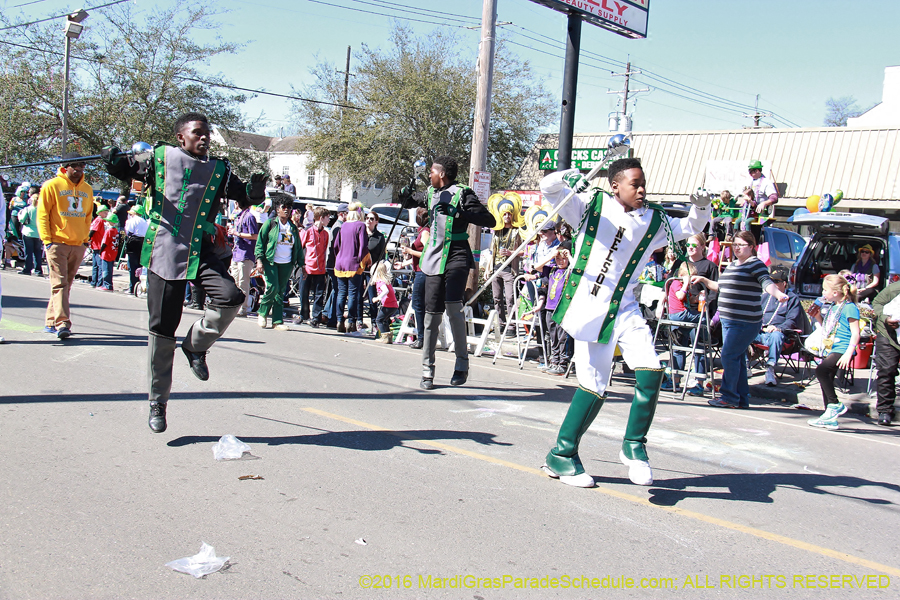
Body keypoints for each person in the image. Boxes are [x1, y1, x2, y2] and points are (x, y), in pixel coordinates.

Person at [538, 158, 711, 488]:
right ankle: (561, 455)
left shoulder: (655, 220)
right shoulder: (591, 206)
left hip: (627, 308)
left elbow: (690, 227)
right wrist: (567, 175)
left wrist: (702, 208)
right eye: (635, 183)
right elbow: (550, 188)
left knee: (651, 369)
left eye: (644, 183)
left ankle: (634, 446)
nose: (642, 189)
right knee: (594, 385)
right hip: (590, 308)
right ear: (615, 185)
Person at [102, 112, 266, 433]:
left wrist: (256, 190)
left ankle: (195, 346)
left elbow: (244, 196)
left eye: (207, 133)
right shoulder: (158, 158)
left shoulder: (219, 169)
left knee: (231, 296)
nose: (204, 138)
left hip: (200, 249)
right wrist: (113, 160)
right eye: (198, 133)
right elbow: (125, 168)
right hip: (163, 249)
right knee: (162, 331)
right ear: (181, 137)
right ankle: (157, 401)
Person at [400, 156, 495, 390]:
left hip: (457, 256)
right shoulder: (430, 193)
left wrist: (458, 213)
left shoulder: (463, 194)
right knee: (431, 315)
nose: (429, 175)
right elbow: (407, 201)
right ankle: (427, 370)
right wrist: (406, 189)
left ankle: (462, 365)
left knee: (453, 310)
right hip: (433, 258)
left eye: (432, 171)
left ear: (441, 174)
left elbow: (489, 219)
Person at [693, 230, 788, 410]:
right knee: (736, 358)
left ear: (752, 247)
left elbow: (766, 282)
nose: (737, 248)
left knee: (729, 355)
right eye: (734, 244)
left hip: (745, 321)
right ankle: (741, 398)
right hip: (728, 320)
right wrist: (705, 280)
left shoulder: (755, 264)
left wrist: (778, 294)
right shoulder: (733, 265)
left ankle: (729, 396)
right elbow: (721, 287)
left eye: (741, 245)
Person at [37, 154, 95, 339]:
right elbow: (43, 214)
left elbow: (87, 216)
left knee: (65, 285)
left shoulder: (87, 189)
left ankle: (50, 321)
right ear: (66, 167)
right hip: (57, 242)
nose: (79, 170)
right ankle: (63, 323)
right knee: (60, 284)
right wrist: (47, 240)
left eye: (82, 166)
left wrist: (85, 239)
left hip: (78, 244)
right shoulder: (51, 185)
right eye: (75, 166)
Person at [807, 274, 860, 430]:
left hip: (843, 348)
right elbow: (827, 328)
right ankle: (829, 414)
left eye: (825, 290)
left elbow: (855, 332)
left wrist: (849, 352)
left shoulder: (849, 307)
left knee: (821, 371)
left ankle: (834, 404)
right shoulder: (832, 307)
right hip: (832, 347)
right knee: (827, 378)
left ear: (836, 292)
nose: (823, 293)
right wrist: (817, 316)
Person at [752, 265, 806, 386]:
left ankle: (770, 370)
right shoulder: (765, 296)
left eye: (776, 281)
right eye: (771, 281)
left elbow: (792, 320)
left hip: (780, 335)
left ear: (784, 284)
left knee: (776, 335)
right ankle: (745, 366)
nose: (773, 284)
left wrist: (778, 328)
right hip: (761, 332)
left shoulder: (792, 299)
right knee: (743, 330)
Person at [255, 195, 302, 330]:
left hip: (287, 263)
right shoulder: (269, 224)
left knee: (281, 291)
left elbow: (298, 247)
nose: (287, 210)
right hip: (270, 261)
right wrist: (259, 261)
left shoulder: (292, 227)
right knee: (272, 287)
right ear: (277, 209)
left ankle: (277, 321)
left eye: (289, 208)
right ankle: (262, 312)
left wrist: (301, 265)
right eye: (284, 207)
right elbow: (260, 244)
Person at [662, 261, 706, 395]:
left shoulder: (684, 287)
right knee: (703, 318)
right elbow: (680, 295)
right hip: (678, 315)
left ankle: (677, 382)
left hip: (683, 315)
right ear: (682, 275)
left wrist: (699, 297)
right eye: (689, 278)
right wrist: (685, 284)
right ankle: (674, 380)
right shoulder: (677, 283)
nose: (691, 283)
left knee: (681, 346)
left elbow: (689, 300)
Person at [486, 193, 525, 331]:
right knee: (496, 298)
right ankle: (501, 323)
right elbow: (492, 251)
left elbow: (525, 251)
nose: (507, 216)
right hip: (496, 268)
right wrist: (487, 269)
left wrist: (511, 253)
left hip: (510, 270)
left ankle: (512, 325)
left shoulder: (517, 231)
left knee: (510, 298)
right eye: (504, 214)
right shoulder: (497, 231)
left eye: (509, 214)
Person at [332, 202, 369, 333]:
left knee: (341, 293)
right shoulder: (361, 226)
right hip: (353, 263)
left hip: (340, 263)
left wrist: (339, 256)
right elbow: (363, 246)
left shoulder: (344, 226)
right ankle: (351, 322)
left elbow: (336, 245)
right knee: (353, 294)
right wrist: (361, 260)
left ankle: (339, 320)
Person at [871, 281, 900, 426]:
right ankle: (885, 410)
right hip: (888, 333)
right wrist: (886, 319)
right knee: (887, 369)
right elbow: (877, 303)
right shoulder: (895, 289)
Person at [400, 207, 430, 348]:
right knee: (418, 304)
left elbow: (427, 252)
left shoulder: (425, 233)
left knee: (418, 304)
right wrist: (404, 262)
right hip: (419, 270)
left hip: (423, 272)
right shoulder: (423, 232)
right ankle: (422, 337)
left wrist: (409, 250)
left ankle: (422, 337)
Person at [540, 247, 572, 374]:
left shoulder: (569, 271)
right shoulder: (552, 270)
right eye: (558, 259)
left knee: (562, 337)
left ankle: (563, 363)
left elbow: (577, 268)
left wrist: (569, 256)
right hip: (549, 307)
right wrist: (551, 256)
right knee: (553, 336)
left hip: (562, 308)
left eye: (563, 259)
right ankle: (554, 361)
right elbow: (537, 266)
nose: (561, 261)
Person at [228, 195, 259, 316]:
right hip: (236, 252)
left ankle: (243, 308)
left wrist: (238, 233)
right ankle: (234, 305)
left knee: (243, 282)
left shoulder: (249, 217)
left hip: (245, 254)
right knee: (235, 280)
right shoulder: (238, 216)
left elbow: (254, 235)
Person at [298, 207, 330, 327]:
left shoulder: (326, 234)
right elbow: (300, 248)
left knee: (319, 294)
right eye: (327, 217)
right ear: (321, 218)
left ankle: (316, 317)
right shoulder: (307, 231)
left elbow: (325, 249)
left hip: (320, 269)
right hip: (307, 267)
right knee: (304, 293)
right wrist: (301, 265)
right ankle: (304, 315)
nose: (329, 220)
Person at [324, 203, 349, 328]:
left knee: (336, 290)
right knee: (338, 291)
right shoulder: (338, 227)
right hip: (334, 264)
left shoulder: (341, 226)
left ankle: (326, 313)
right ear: (341, 214)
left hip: (334, 264)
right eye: (347, 213)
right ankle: (331, 317)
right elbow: (336, 248)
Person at [363, 210, 387, 327]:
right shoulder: (361, 234)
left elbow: (382, 257)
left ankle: (374, 321)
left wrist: (377, 271)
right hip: (359, 269)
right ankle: (358, 320)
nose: (368, 220)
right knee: (358, 295)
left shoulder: (379, 237)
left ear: (376, 222)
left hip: (372, 272)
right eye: (367, 218)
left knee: (372, 297)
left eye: (371, 219)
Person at [370, 260, 400, 343]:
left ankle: (384, 336)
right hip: (393, 305)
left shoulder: (380, 282)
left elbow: (385, 291)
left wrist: (378, 298)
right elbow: (392, 291)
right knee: (384, 320)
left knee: (379, 320)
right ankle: (388, 337)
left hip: (388, 305)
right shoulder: (387, 282)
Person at [124, 204, 149, 294]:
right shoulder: (144, 221)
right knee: (139, 264)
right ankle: (139, 285)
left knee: (132, 265)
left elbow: (129, 232)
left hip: (133, 241)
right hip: (142, 241)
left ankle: (132, 286)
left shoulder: (132, 220)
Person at [17, 193, 44, 277]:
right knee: (37, 253)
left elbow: (22, 219)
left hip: (28, 232)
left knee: (28, 252)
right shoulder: (42, 210)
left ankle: (27, 269)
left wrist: (19, 214)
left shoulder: (28, 209)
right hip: (38, 233)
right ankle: (38, 270)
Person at [88, 204, 110, 288]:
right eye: (105, 212)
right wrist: (89, 238)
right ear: (100, 213)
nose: (106, 214)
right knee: (98, 265)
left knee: (97, 265)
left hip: (99, 244)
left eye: (107, 212)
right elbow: (93, 230)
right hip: (97, 243)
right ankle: (97, 282)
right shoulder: (99, 220)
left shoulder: (103, 220)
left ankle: (96, 282)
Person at [97, 213, 120, 291]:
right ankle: (109, 284)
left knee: (105, 269)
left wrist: (100, 252)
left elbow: (104, 243)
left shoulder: (108, 231)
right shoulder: (116, 231)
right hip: (113, 251)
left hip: (107, 252)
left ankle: (107, 285)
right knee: (110, 269)